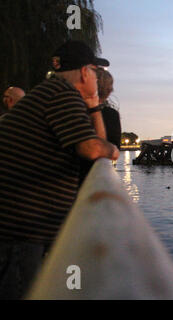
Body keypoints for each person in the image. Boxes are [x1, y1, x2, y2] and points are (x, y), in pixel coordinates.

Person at [0, 40, 119, 299]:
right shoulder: (62, 95)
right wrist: (112, 151)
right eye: (94, 71)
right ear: (86, 72)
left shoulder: (52, 92)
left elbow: (93, 145)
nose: (97, 78)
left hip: (20, 222)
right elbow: (92, 148)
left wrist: (93, 104)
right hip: (21, 227)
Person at [79, 68, 122, 183]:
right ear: (109, 91)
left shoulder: (76, 109)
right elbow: (115, 146)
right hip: (95, 175)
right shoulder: (111, 115)